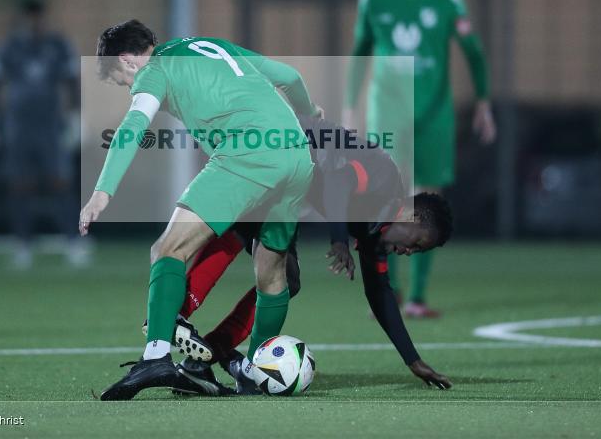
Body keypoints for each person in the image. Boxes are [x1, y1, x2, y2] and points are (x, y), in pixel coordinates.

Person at [79, 20, 321, 401]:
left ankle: (156, 356)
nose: (128, 86)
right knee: (272, 273)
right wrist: (309, 113)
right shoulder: (208, 45)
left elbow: (133, 126)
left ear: (127, 61)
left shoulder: (152, 70)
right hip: (296, 156)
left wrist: (101, 193)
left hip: (246, 153)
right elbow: (289, 76)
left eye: (120, 80)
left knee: (168, 249)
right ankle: (256, 374)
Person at [167, 117, 454, 395]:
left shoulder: (376, 236)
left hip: (288, 181)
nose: (408, 252)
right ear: (413, 216)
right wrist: (339, 240)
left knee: (286, 278)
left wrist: (412, 360)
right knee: (240, 229)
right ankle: (174, 317)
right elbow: (338, 183)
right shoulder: (385, 179)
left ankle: (201, 358)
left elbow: (379, 294)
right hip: (278, 145)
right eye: (416, 244)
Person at [343, 0, 496, 318]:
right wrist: (348, 106)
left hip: (433, 114)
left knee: (428, 198)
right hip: (388, 110)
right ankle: (388, 290)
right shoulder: (374, 0)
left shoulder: (446, 2)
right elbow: (360, 52)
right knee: (385, 195)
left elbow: (474, 52)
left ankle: (418, 297)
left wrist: (482, 100)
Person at [0, 0, 86, 269]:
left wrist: (76, 116)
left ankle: (73, 242)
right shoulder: (11, 46)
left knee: (60, 182)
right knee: (19, 185)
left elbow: (72, 81)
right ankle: (22, 244)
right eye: (30, 17)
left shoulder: (57, 45)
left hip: (50, 126)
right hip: (18, 127)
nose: (34, 22)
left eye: (38, 16)